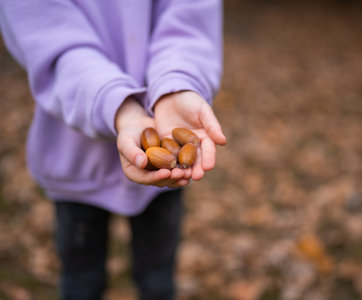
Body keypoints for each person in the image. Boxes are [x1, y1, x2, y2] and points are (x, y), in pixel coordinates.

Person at [0, 0, 226, 299]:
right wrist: (116, 104)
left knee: (157, 278)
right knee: (81, 279)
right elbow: (51, 39)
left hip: (161, 181)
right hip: (77, 164)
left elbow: (189, 23)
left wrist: (178, 84)